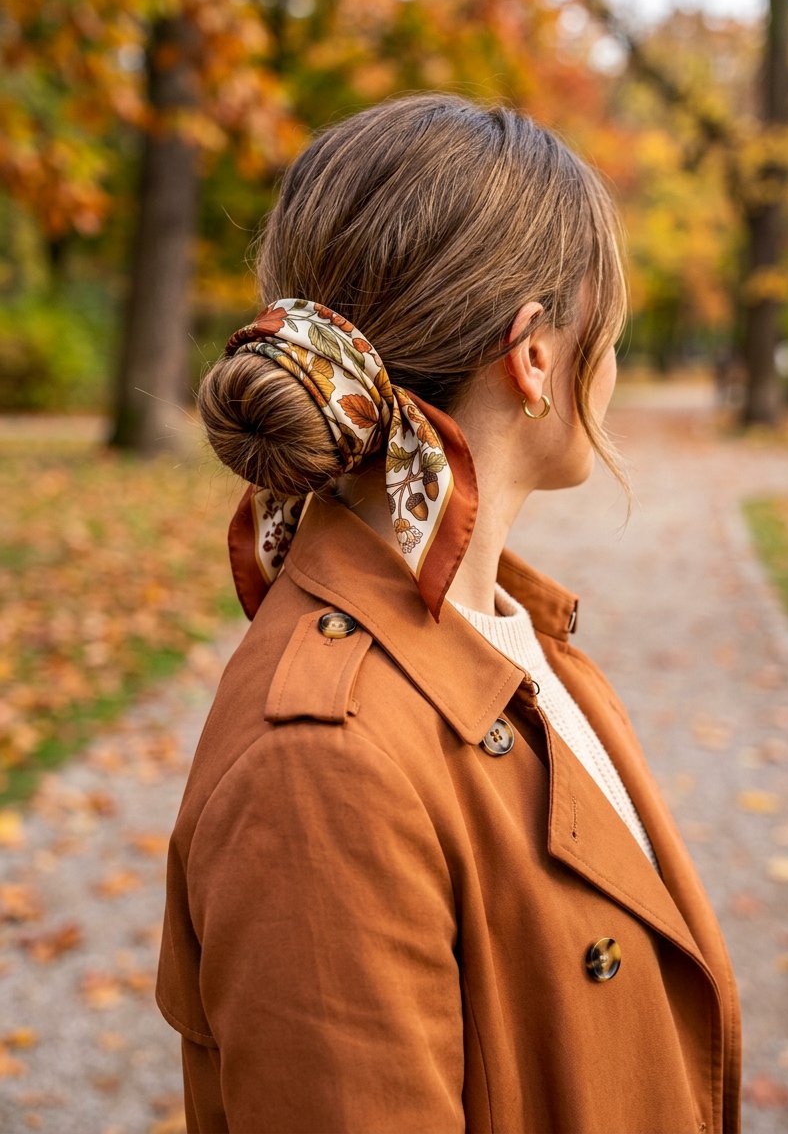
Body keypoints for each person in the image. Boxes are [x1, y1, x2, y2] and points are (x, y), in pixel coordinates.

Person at [156, 92, 741, 1133]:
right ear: (533, 357)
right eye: (604, 317)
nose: (613, 353)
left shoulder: (510, 625)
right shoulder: (323, 764)